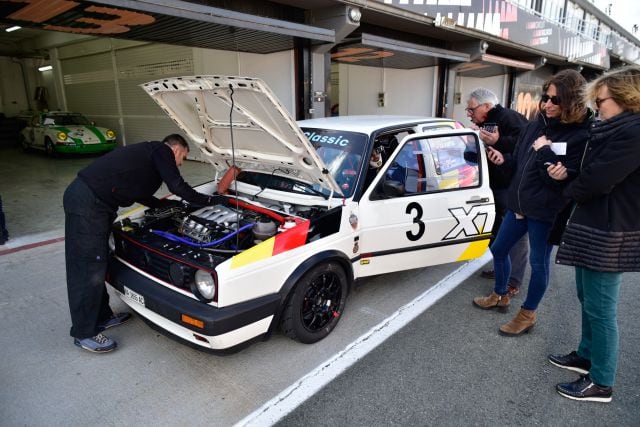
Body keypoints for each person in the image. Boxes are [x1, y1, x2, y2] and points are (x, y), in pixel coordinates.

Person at [64, 134, 223, 353]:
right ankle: (84, 333)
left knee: (99, 261)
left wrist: (162, 206)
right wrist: (211, 200)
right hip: (88, 205)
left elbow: (139, 192)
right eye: (183, 158)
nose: (180, 163)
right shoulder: (160, 150)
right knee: (87, 266)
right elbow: (177, 186)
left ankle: (102, 317)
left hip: (95, 204)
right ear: (176, 149)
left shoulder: (148, 155)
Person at [472, 69, 593, 336]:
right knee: (499, 249)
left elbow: (560, 181)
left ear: (572, 102)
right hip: (520, 204)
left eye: (555, 100)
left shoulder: (581, 135)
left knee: (539, 264)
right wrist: (505, 160)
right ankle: (500, 294)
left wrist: (545, 153)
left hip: (546, 211)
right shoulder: (537, 122)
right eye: (545, 97)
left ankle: (527, 313)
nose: (547, 104)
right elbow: (520, 161)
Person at [548, 65, 640, 402]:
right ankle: (586, 355)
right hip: (596, 225)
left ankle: (601, 381)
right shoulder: (615, 129)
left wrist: (570, 187)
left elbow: (600, 179)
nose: (597, 106)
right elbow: (593, 173)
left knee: (602, 308)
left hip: (610, 231)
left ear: (624, 98)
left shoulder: (633, 132)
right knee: (587, 298)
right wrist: (572, 176)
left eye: (601, 100)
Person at [465, 88, 529, 296]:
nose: (469, 113)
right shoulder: (486, 124)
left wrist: (497, 142)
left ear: (486, 106)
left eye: (471, 109)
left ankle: (513, 281)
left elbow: (526, 147)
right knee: (497, 230)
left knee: (516, 234)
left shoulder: (509, 117)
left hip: (511, 186)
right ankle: (502, 268)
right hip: (493, 185)